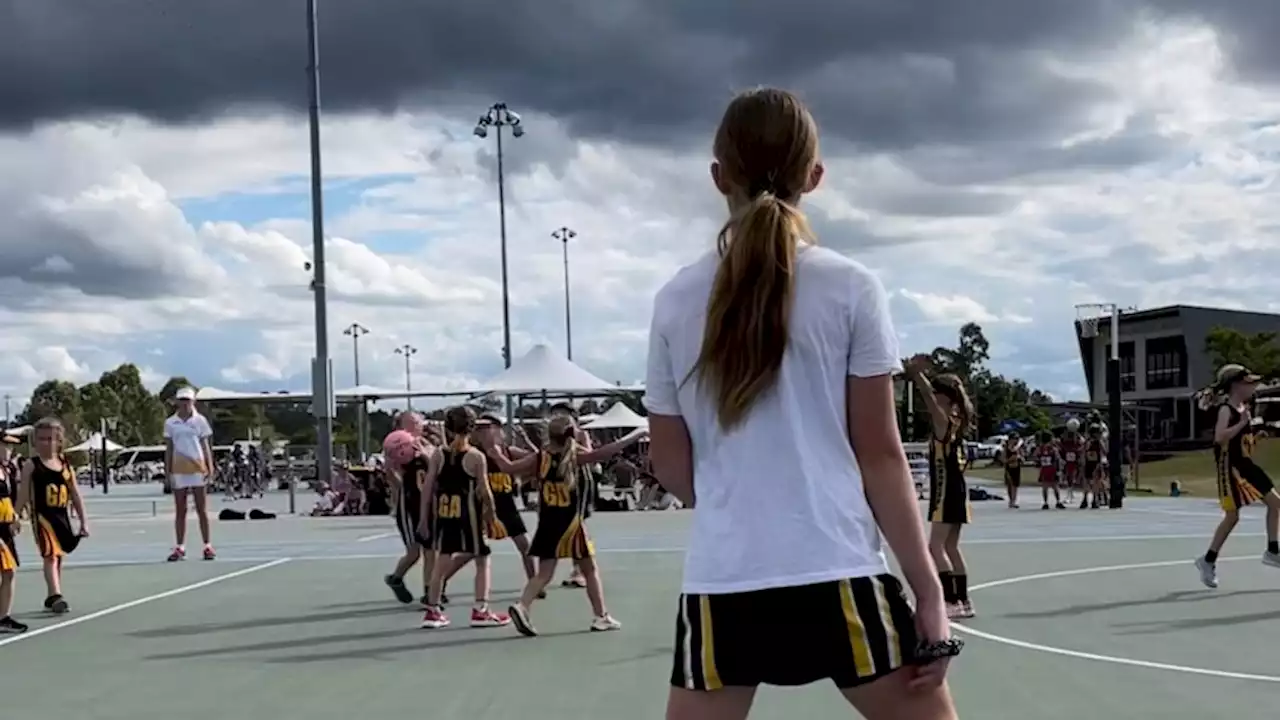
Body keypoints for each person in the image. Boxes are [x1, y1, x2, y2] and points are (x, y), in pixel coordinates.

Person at [643, 88, 958, 720]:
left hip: (723, 582)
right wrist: (929, 593)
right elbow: (882, 457)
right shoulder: (850, 287)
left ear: (717, 178)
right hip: (837, 571)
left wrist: (739, 491)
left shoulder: (674, 299)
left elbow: (672, 472)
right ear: (814, 177)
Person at [488, 414, 641, 636]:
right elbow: (605, 452)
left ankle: (522, 605)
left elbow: (509, 469)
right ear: (572, 431)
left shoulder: (541, 457)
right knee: (589, 570)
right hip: (571, 524)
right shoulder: (574, 456)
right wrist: (634, 435)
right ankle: (601, 616)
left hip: (548, 523)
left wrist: (494, 452)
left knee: (544, 574)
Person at [418, 406, 509, 629]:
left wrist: (423, 519)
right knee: (482, 560)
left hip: (444, 517)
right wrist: (492, 515)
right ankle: (481, 610)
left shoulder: (439, 454)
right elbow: (485, 491)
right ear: (472, 429)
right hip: (468, 518)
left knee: (441, 563)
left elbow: (427, 489)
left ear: (448, 428)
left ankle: (433, 610)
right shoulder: (476, 456)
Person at [1194, 364, 1280, 588]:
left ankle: (1272, 550)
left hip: (1246, 465)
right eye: (1248, 383)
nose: (1253, 387)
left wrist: (1255, 436)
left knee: (1275, 503)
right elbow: (1220, 438)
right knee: (1232, 516)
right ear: (1236, 386)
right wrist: (1242, 424)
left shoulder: (1245, 407)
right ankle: (1207, 560)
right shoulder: (1227, 410)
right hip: (1230, 468)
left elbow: (1241, 442)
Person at [905, 358, 976, 620]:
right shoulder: (957, 420)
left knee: (935, 547)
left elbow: (926, 396)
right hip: (957, 490)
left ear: (945, 397)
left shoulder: (944, 420)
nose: (933, 397)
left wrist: (917, 376)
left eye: (937, 393)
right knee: (951, 548)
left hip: (946, 491)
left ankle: (951, 601)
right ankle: (964, 601)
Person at [15, 418, 88, 614]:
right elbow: (23, 494)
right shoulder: (32, 465)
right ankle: (56, 595)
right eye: (41, 439)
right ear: (35, 442)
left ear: (59, 441)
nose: (46, 443)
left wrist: (83, 521)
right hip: (42, 518)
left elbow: (75, 494)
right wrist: (15, 516)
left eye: (50, 439)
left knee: (59, 555)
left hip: (61, 516)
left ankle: (51, 594)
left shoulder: (65, 465)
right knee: (50, 556)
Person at [475, 414, 539, 589]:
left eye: (490, 428)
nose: (488, 432)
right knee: (471, 552)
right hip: (483, 506)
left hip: (506, 505)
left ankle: (534, 583)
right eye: (481, 429)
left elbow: (538, 458)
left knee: (525, 546)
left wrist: (526, 440)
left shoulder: (507, 451)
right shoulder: (476, 454)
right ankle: (440, 583)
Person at [164, 387, 216, 562]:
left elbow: (205, 445)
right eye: (182, 400)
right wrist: (167, 472)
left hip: (197, 467)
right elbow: (169, 448)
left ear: (193, 401)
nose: (185, 403)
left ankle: (207, 545)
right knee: (180, 510)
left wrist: (210, 466)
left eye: (188, 400)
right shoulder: (171, 423)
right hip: (179, 468)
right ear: (177, 402)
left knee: (202, 509)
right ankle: (180, 547)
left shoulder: (200, 421)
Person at [0, 434, 26, 633]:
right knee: (8, 571)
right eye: (6, 445)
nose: (10, 450)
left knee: (9, 571)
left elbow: (8, 499)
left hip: (5, 526)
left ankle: (3, 616)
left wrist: (14, 517)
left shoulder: (7, 470)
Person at [1035, 431, 1065, 510]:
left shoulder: (1039, 449)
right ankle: (1058, 501)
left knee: (1045, 487)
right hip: (1052, 469)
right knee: (1055, 486)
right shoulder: (1053, 449)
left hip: (1044, 469)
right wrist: (1059, 470)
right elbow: (1057, 459)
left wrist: (1039, 463)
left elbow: (1036, 458)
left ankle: (1045, 502)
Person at [1001, 432, 1023, 509]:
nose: (1016, 440)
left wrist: (1020, 458)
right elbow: (1003, 459)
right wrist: (1010, 460)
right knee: (1009, 485)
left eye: (1017, 439)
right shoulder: (1006, 448)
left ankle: (1013, 501)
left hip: (1017, 467)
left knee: (1015, 485)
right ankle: (1011, 500)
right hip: (1009, 468)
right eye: (1014, 438)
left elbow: (1022, 457)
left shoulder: (1018, 447)